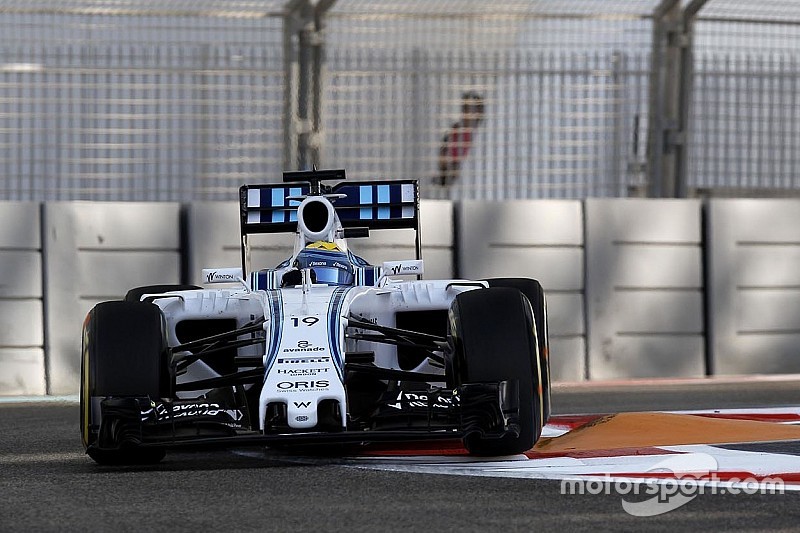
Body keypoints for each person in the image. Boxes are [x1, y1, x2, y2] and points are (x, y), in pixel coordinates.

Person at [437, 91, 485, 187]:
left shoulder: (481, 136)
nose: (469, 113)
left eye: (473, 109)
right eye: (466, 108)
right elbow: (444, 154)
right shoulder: (455, 130)